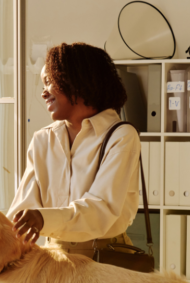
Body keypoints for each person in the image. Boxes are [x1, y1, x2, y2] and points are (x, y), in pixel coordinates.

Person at [8, 42, 140, 257]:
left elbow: (100, 209)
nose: (43, 93)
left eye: (49, 82)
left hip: (106, 260)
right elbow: (21, 215)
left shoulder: (121, 136)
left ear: (77, 81)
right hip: (53, 260)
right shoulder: (42, 139)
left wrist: (42, 219)